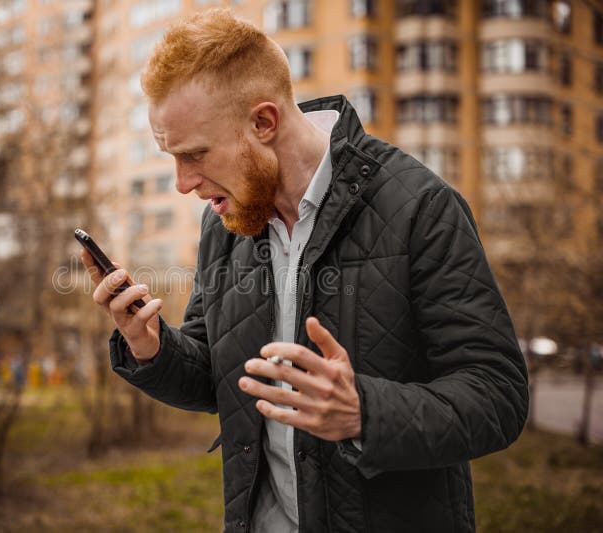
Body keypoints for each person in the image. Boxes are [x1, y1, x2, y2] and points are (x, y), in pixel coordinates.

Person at [81, 9, 528, 533]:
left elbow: (498, 394)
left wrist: (365, 412)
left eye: (195, 154)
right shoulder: (224, 223)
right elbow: (221, 379)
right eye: (172, 157)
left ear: (263, 122)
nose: (183, 183)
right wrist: (151, 345)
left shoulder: (421, 208)